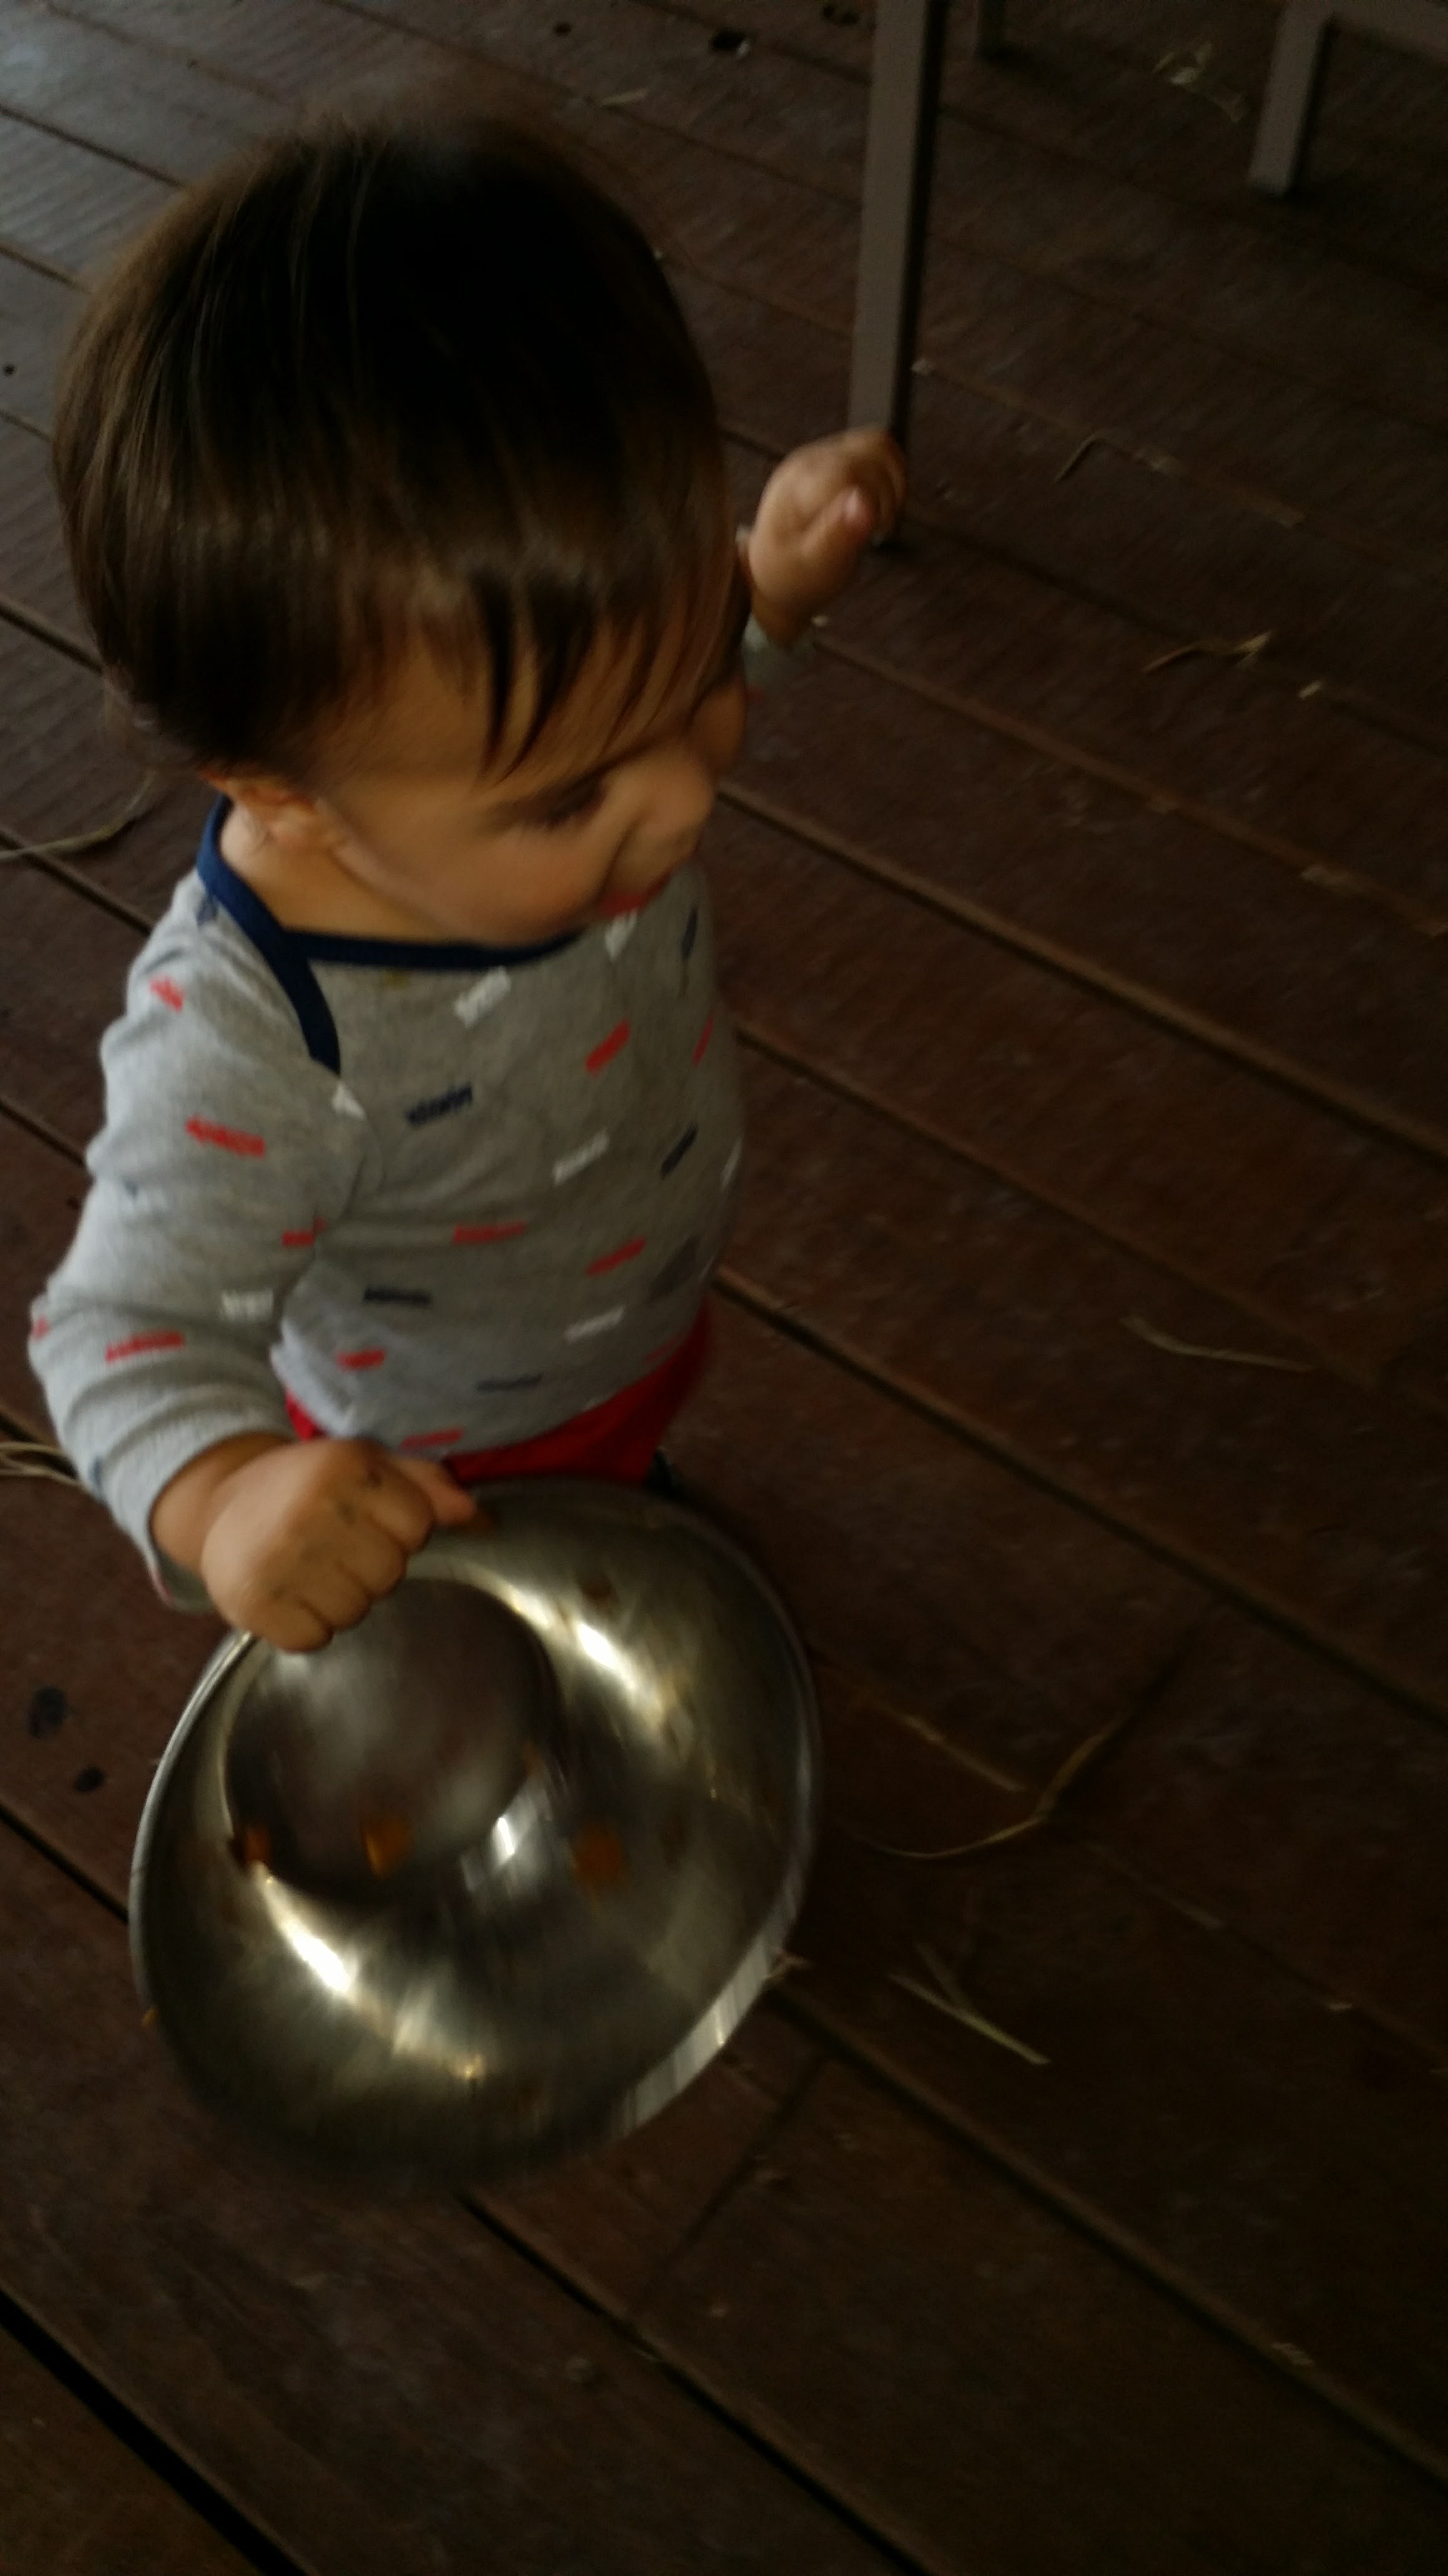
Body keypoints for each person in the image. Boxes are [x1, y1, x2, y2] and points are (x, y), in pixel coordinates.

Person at [30, 104, 904, 1652]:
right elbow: (114, 1330)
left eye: (693, 668)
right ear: (284, 797)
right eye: (572, 793)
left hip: (622, 1336)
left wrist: (761, 593)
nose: (687, 796)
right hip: (439, 1470)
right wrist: (225, 1500)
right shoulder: (261, 1043)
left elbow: (621, 698)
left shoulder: (533, 737)